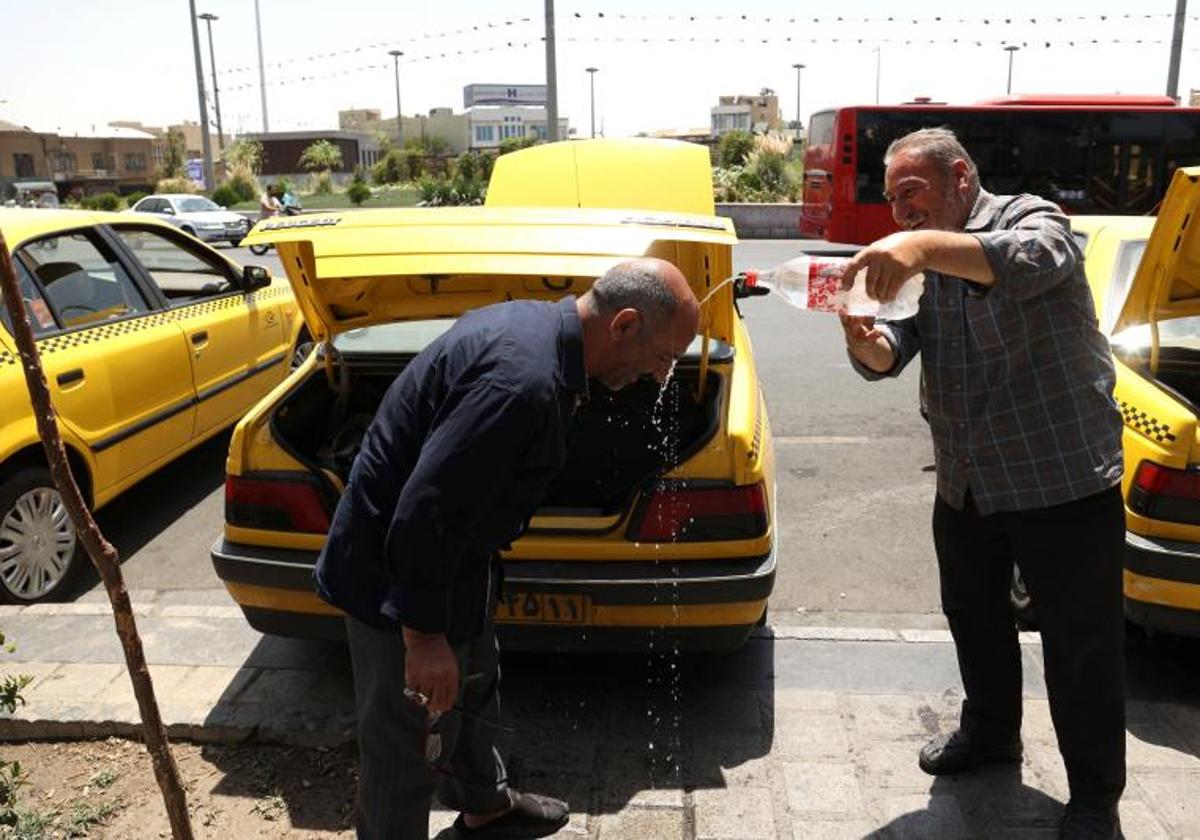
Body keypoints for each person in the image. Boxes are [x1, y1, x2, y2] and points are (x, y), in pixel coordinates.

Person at [315, 258, 700, 839]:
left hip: (453, 559)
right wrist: (423, 638)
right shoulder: (521, 382)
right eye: (664, 357)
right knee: (407, 740)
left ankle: (486, 808)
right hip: (393, 572)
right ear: (623, 325)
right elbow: (427, 510)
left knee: (473, 682)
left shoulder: (545, 333)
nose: (658, 375)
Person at [838, 127, 1126, 840]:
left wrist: (920, 249)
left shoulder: (1031, 220)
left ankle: (1095, 794)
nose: (901, 212)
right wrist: (859, 338)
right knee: (975, 618)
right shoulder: (923, 259)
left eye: (913, 193)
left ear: (960, 178)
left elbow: (1031, 264)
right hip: (966, 479)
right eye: (893, 199)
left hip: (1061, 478)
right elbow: (891, 352)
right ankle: (993, 733)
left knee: (1078, 643)